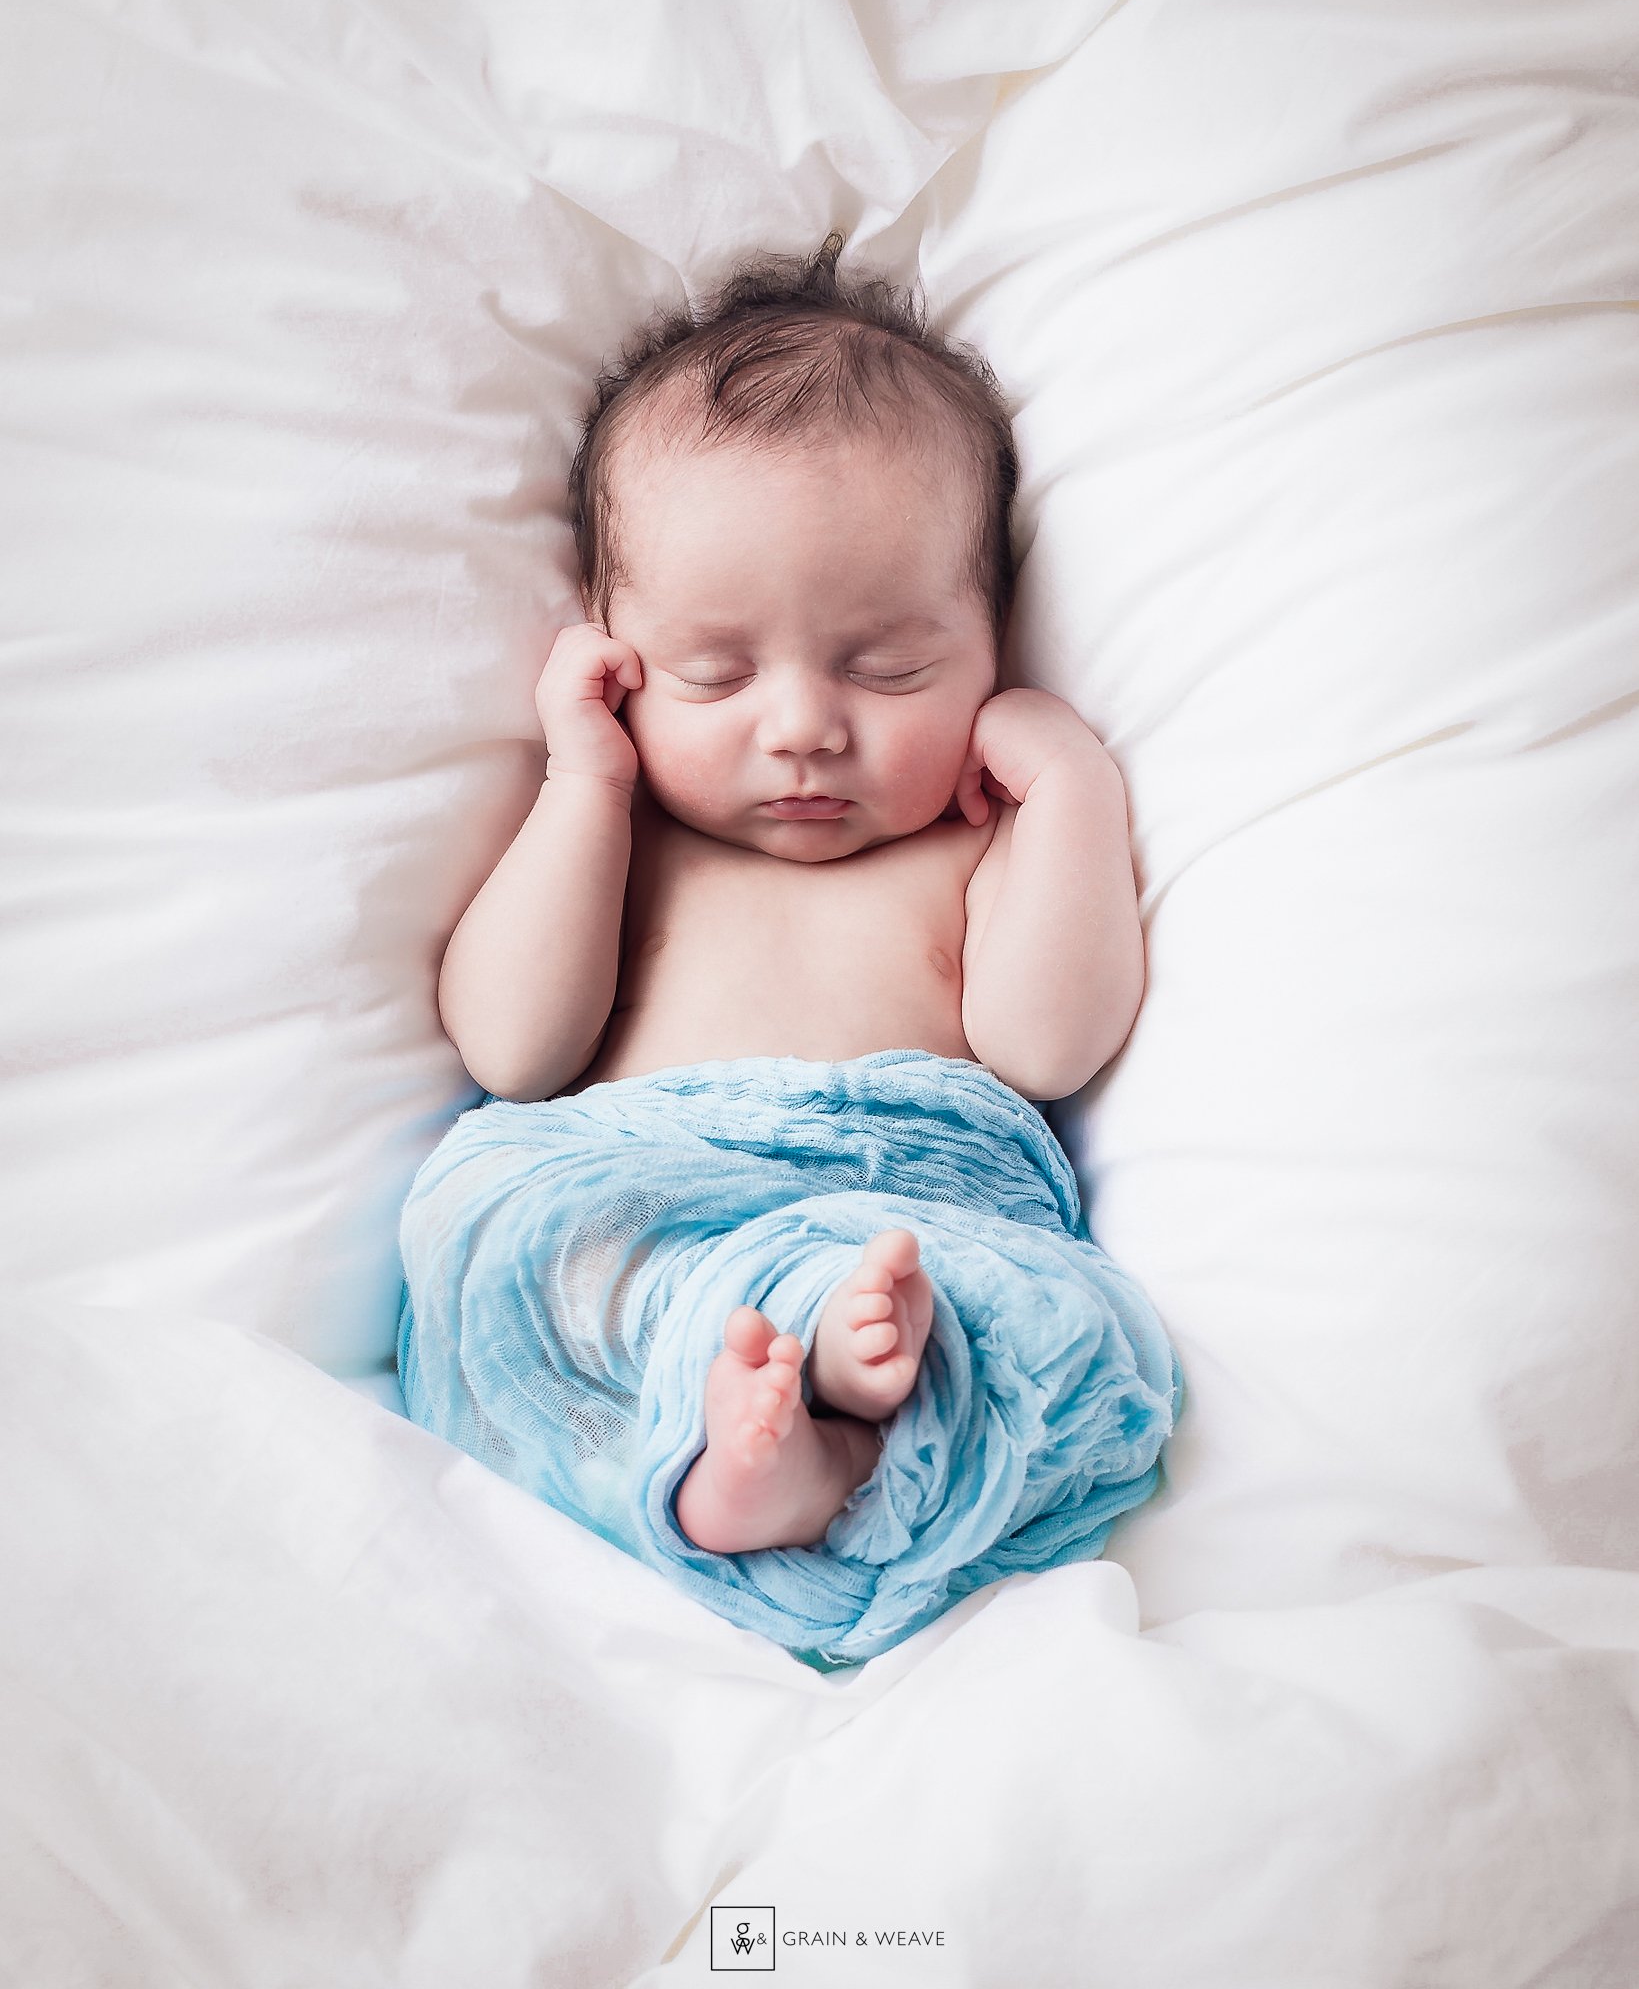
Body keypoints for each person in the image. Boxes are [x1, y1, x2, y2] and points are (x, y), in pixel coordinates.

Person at [398, 239, 1176, 1660]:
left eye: (889, 666)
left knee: (1066, 1325)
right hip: (649, 1205)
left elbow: (1047, 1044)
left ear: (998, 639)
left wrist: (1073, 793)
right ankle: (760, 1419)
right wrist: (587, 785)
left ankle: (809, 1441)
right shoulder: (627, 841)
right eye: (717, 672)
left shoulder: (967, 851)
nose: (805, 726)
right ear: (617, 655)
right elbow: (513, 1050)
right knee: (485, 1211)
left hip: (903, 1215)